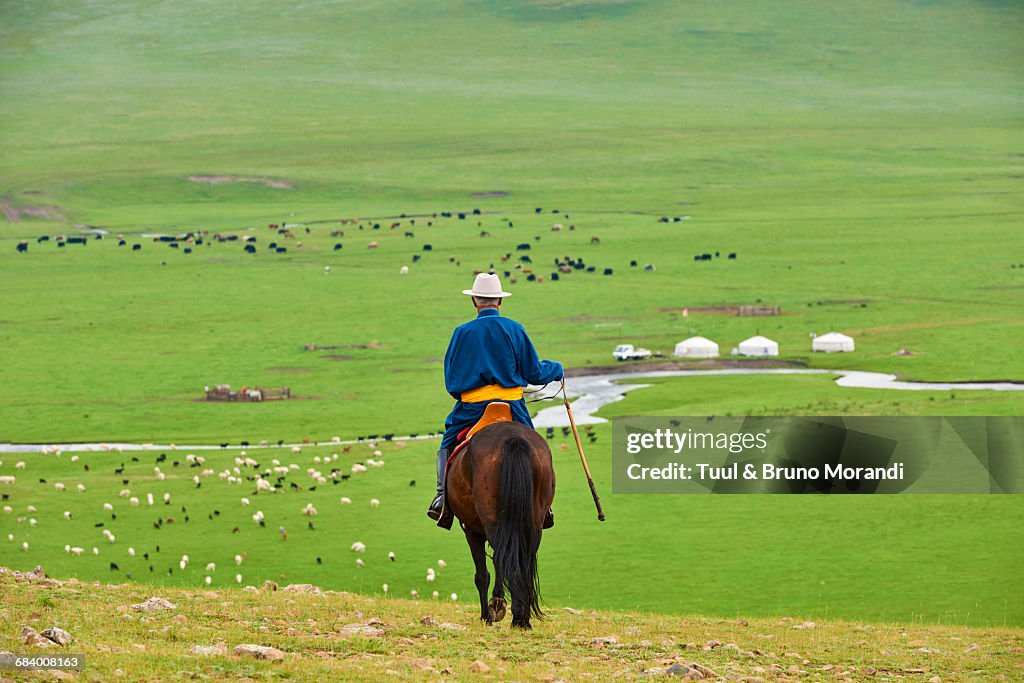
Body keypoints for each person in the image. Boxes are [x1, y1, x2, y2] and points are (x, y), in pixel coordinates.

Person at [428, 273, 563, 524]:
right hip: (512, 407)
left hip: (472, 409)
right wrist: (557, 369)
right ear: (499, 301)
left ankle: (441, 500)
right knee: (534, 446)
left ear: (474, 303)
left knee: (447, 443)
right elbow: (534, 372)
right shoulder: (514, 328)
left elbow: (452, 383)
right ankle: (543, 505)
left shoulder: (461, 333)